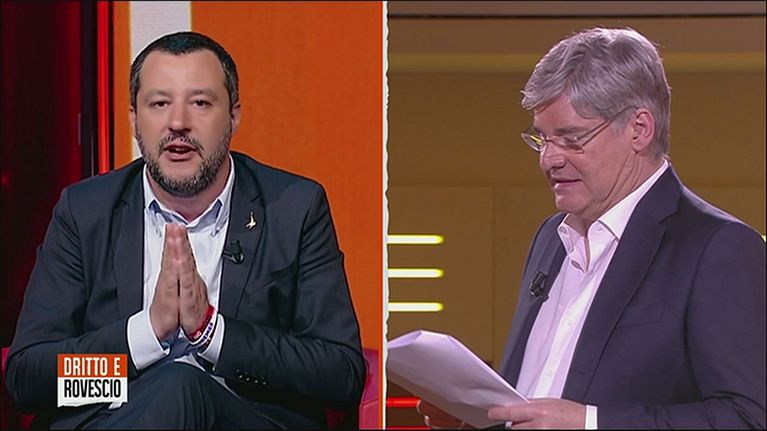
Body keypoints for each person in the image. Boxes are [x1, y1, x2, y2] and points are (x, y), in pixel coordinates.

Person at [5, 31, 365, 429]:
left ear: (234, 117)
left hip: (242, 418)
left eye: (200, 103)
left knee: (182, 385)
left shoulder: (294, 209)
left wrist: (213, 333)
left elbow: (341, 375)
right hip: (117, 418)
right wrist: (144, 335)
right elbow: (29, 380)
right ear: (134, 119)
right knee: (173, 387)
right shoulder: (85, 211)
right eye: (159, 103)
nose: (178, 123)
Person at [418, 27, 765, 429]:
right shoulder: (550, 238)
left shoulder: (718, 247)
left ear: (639, 129)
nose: (549, 160)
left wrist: (591, 423)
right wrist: (478, 415)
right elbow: (544, 394)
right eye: (542, 139)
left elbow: (749, 417)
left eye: (572, 139)